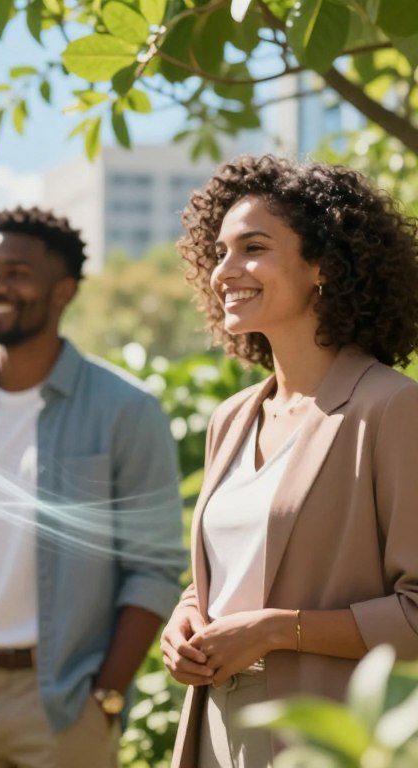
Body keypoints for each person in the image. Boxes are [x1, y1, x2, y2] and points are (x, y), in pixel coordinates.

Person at [162, 156, 418, 767]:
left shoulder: (391, 408)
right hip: (212, 727)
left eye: (253, 247)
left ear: (323, 265)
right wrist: (187, 618)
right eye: (218, 251)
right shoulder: (232, 417)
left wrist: (276, 630)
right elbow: (230, 573)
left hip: (323, 738)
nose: (226, 271)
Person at [0, 206, 185, 768]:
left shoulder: (126, 410)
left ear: (62, 290)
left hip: (66, 703)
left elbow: (154, 567)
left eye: (16, 272)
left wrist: (107, 695)